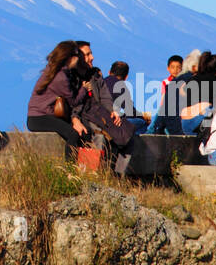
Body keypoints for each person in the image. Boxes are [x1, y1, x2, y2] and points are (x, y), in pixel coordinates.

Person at [71, 40, 136, 176]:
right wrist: (75, 118)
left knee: (128, 132)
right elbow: (72, 102)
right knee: (98, 137)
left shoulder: (94, 75)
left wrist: (113, 111)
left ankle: (117, 176)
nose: (92, 57)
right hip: (85, 116)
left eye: (91, 53)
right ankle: (94, 177)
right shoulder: (72, 76)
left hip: (100, 113)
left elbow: (105, 96)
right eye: (87, 54)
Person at [26, 41, 90, 149]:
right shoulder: (60, 77)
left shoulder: (54, 70)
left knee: (79, 133)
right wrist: (84, 89)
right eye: (77, 55)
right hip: (40, 117)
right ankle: (70, 165)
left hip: (37, 116)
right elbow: (73, 101)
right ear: (70, 57)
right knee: (73, 134)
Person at [103, 61, 150, 126]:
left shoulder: (101, 82)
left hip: (98, 118)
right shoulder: (120, 86)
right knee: (142, 123)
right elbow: (130, 110)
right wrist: (142, 117)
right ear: (126, 77)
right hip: (111, 122)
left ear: (109, 72)